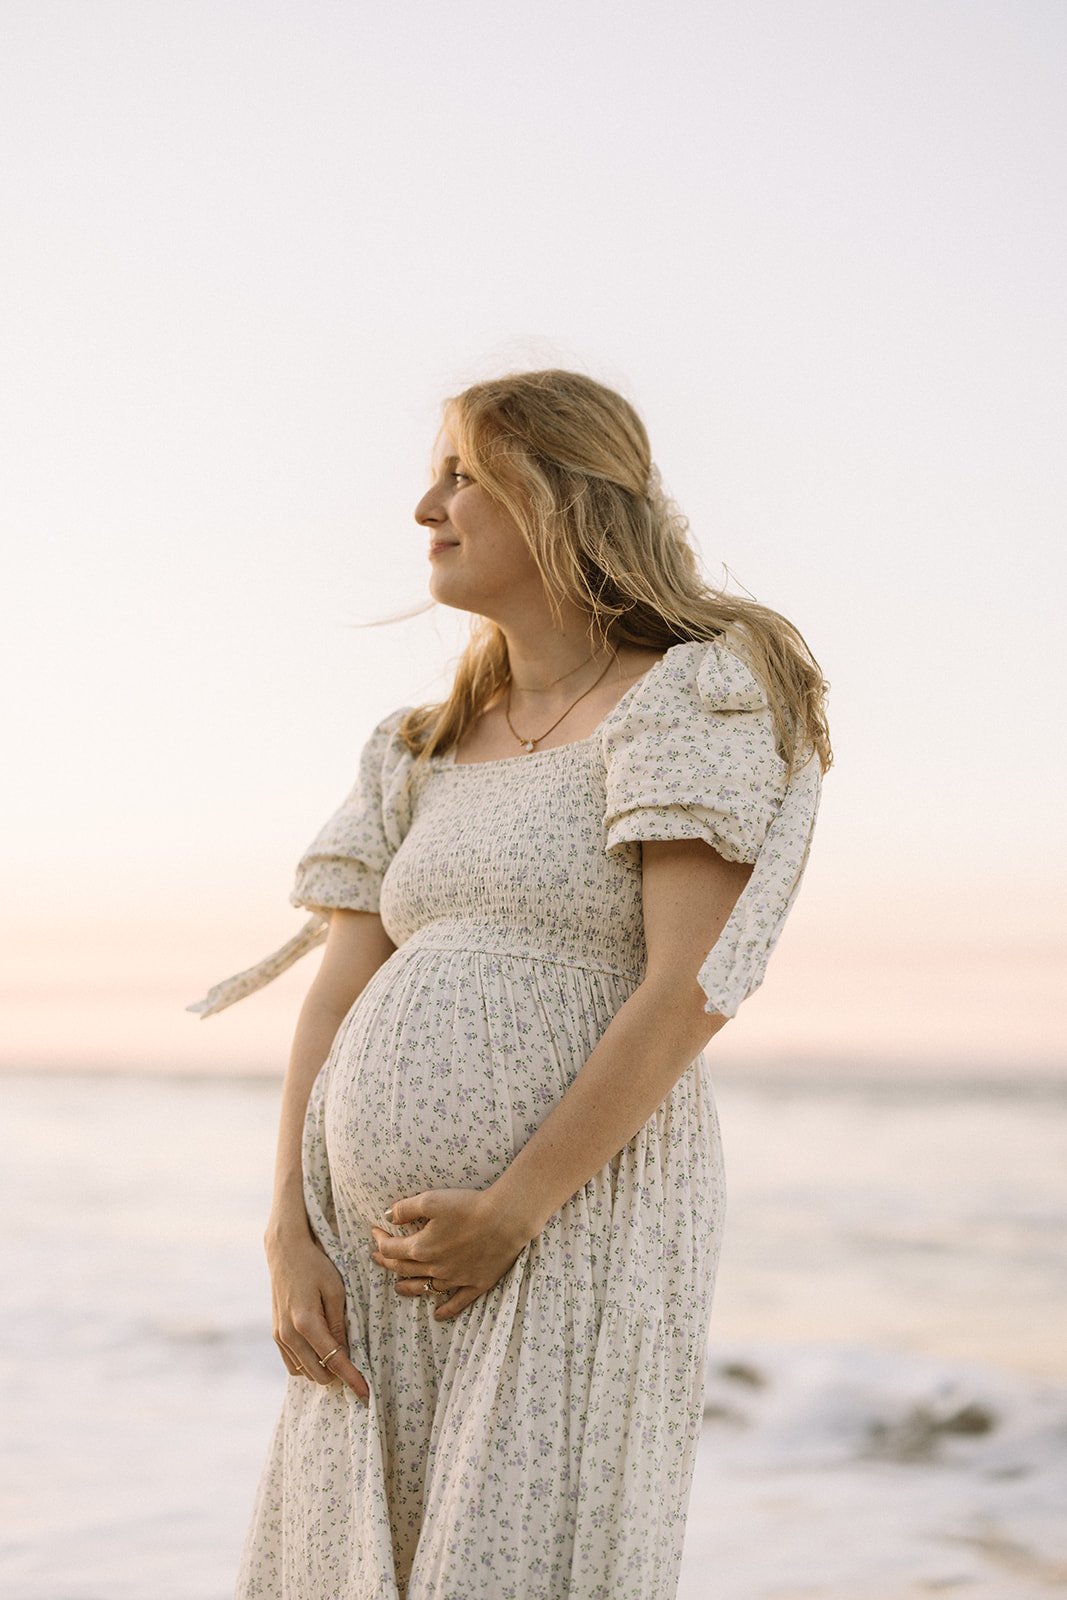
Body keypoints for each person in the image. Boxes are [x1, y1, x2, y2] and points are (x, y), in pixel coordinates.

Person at [188, 368, 833, 1599]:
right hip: (374, 1261)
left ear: (563, 497)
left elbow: (688, 989)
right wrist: (288, 1228)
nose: (425, 506)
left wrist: (516, 1207)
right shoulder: (416, 747)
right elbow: (332, 1000)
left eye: (462, 475)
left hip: (570, 1226)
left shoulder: (689, 690)